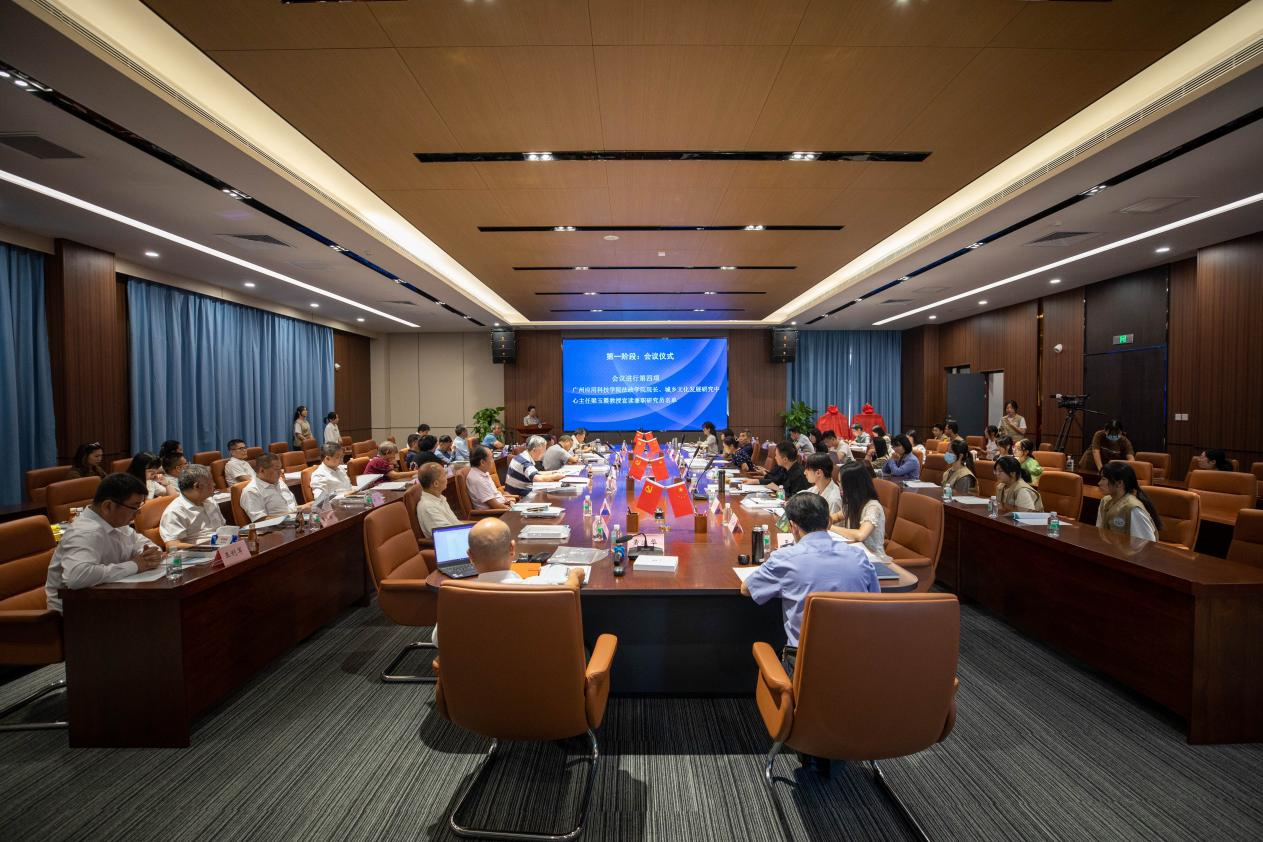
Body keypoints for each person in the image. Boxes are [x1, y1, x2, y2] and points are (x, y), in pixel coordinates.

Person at [740, 492, 879, 654]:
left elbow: (746, 589)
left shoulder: (784, 559)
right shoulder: (858, 556)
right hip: (859, 659)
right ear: (829, 523)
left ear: (793, 527)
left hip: (804, 662)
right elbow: (875, 600)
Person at [44, 473, 162, 612]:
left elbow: (146, 545)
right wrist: (135, 565)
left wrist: (150, 555)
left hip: (108, 602)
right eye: (134, 507)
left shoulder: (117, 523)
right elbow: (77, 576)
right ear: (108, 506)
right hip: (76, 614)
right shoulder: (84, 532)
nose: (138, 513)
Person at [159, 464, 226, 548]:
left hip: (222, 546)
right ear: (197, 486)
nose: (214, 484)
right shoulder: (175, 511)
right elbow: (172, 545)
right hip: (199, 552)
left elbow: (223, 528)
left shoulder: (210, 501)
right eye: (210, 482)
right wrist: (206, 549)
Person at [831, 463, 888, 556]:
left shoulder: (873, 507)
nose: (839, 486)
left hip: (872, 558)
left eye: (841, 482)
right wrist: (824, 520)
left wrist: (830, 527)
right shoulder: (853, 502)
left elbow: (861, 535)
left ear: (852, 485)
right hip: (854, 552)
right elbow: (837, 516)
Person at [1096, 462, 1161, 541]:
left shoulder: (1133, 509)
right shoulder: (1105, 501)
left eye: (1103, 479)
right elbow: (1099, 532)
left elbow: (1147, 544)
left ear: (1119, 483)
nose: (1099, 483)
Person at [240, 453, 299, 522]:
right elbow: (260, 520)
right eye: (276, 469)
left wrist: (302, 509)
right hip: (278, 527)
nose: (280, 472)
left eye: (280, 468)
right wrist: (289, 518)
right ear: (262, 470)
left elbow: (293, 505)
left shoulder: (280, 482)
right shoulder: (252, 491)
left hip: (297, 521)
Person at [416, 463, 463, 538]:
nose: (446, 477)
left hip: (459, 534)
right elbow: (446, 535)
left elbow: (455, 523)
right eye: (444, 475)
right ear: (436, 484)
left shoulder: (439, 498)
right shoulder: (428, 507)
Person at [800, 453, 842, 517]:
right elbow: (804, 493)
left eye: (807, 469)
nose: (804, 473)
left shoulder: (833, 500)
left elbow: (831, 523)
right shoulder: (817, 488)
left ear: (818, 473)